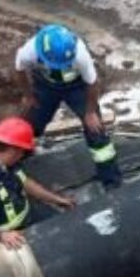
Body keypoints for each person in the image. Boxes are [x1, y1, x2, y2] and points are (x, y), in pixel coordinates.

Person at [16, 24, 122, 189]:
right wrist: (28, 96)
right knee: (31, 123)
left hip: (76, 87)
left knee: (95, 131)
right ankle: (19, 163)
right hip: (45, 86)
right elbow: (19, 70)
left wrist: (90, 112)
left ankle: (111, 180)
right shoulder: (29, 50)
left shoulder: (80, 54)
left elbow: (92, 83)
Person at [0, 117, 74, 248]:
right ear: (13, 151)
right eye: (22, 152)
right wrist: (0, 235)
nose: (22, 156)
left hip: (29, 214)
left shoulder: (9, 164)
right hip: (8, 235)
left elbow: (26, 183)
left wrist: (57, 200)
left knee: (66, 229)